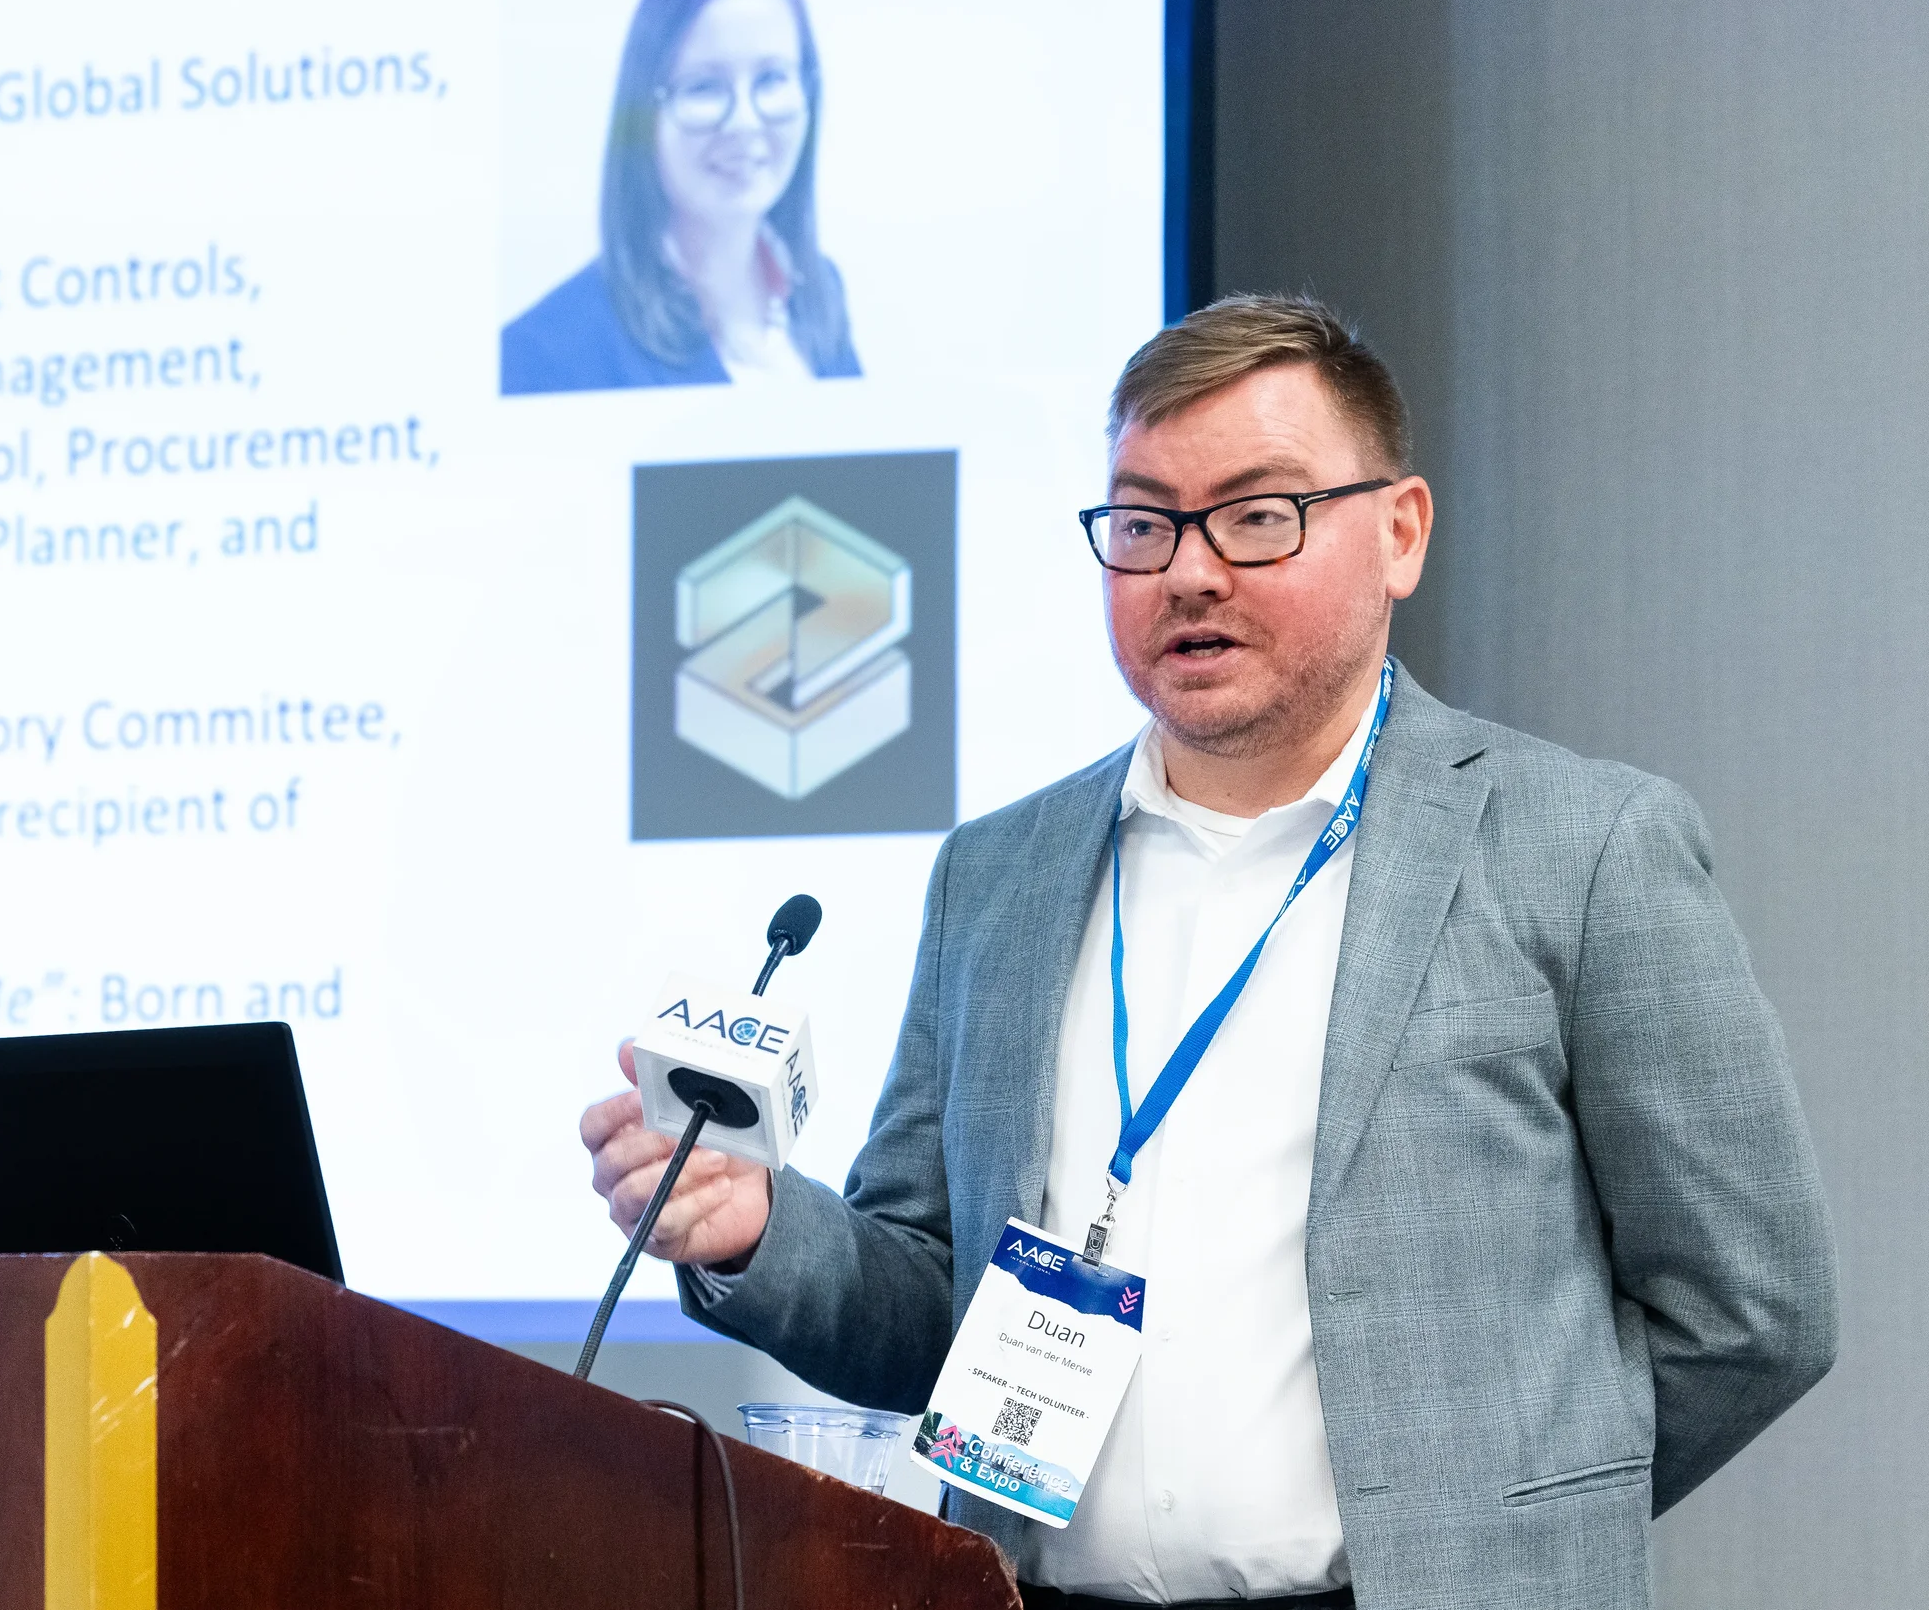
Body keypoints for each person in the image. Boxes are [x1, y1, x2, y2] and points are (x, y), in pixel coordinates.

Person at [579, 294, 1838, 1608]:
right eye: (1143, 522)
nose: (1188, 569)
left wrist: (1507, 1519)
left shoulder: (1579, 846)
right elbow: (932, 1301)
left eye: (1257, 514)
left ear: (1399, 532)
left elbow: (1756, 1311)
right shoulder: (996, 877)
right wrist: (761, 1228)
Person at [500, 0, 861, 395]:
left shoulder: (818, 295)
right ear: (643, 116)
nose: (745, 121)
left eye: (771, 78)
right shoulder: (546, 355)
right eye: (706, 86)